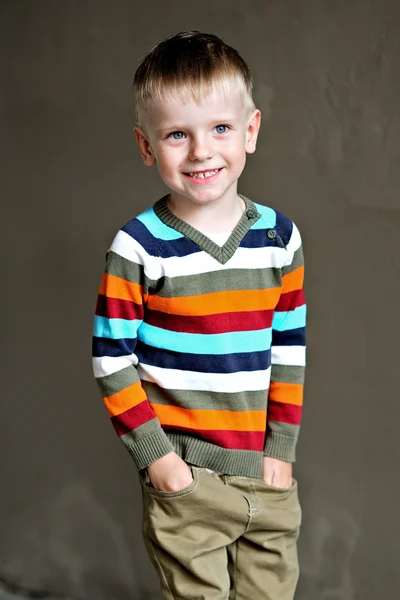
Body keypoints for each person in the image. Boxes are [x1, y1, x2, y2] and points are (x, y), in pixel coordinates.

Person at [92, 30, 306, 600]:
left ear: (250, 131)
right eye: (177, 134)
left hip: (263, 468)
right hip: (186, 473)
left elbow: (288, 349)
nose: (201, 151)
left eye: (220, 129)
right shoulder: (138, 246)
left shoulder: (278, 238)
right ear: (146, 146)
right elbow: (112, 359)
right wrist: (159, 462)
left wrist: (280, 451)